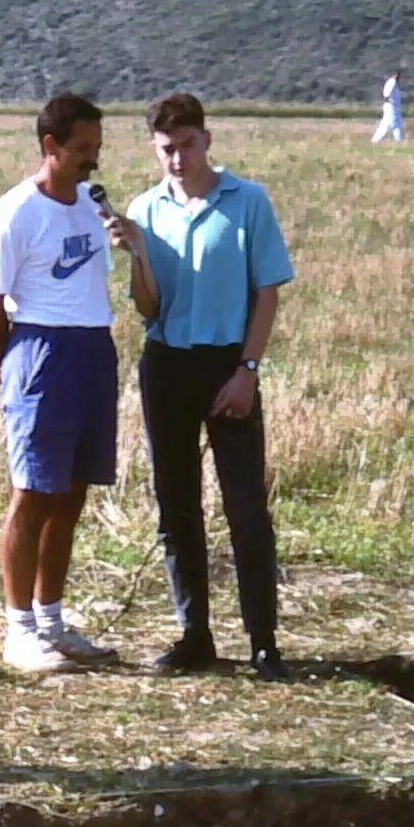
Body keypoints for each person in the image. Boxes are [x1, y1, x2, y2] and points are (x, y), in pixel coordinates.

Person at [113, 93, 295, 682]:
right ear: (153, 148)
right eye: (166, 149)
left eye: (187, 146)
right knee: (177, 506)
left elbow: (267, 291)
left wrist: (248, 370)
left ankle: (263, 640)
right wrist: (138, 253)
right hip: (167, 364)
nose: (177, 159)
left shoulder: (248, 202)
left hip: (227, 363)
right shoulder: (145, 210)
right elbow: (148, 307)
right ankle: (195, 634)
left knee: (245, 506)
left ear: (206, 141)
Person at [0, 93, 124, 673]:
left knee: (72, 493)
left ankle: (54, 621)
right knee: (33, 493)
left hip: (93, 348)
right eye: (82, 150)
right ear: (50, 147)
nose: (93, 161)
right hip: (41, 348)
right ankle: (19, 630)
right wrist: (8, 363)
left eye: (97, 149)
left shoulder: (91, 204)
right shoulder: (14, 214)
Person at [373, 69, 406, 145]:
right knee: (389, 124)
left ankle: (400, 141)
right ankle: (375, 140)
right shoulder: (392, 82)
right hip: (391, 107)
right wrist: (389, 102)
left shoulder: (395, 84)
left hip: (395, 108)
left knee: (397, 124)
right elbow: (386, 95)